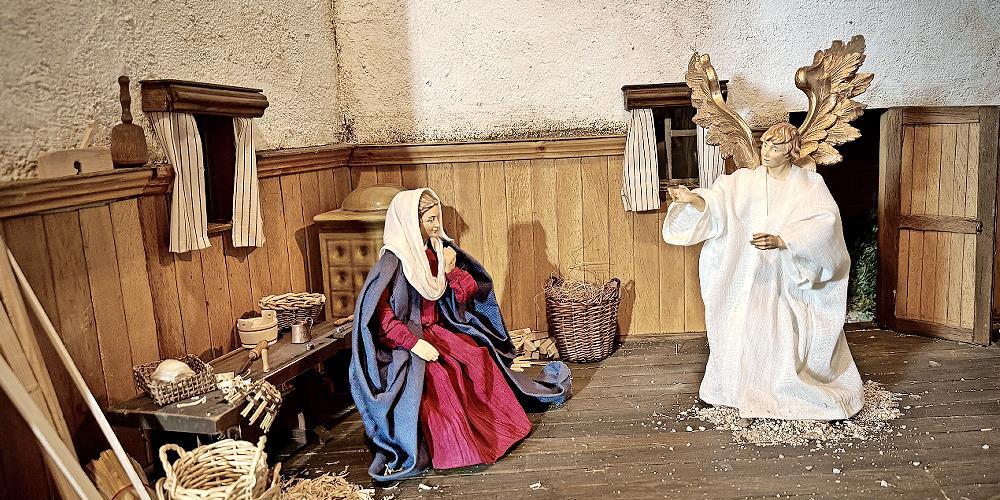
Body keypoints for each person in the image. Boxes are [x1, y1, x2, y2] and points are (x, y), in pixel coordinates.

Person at [349, 188, 572, 481]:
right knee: (440, 377)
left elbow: (467, 292)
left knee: (477, 357)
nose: (436, 226)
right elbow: (381, 320)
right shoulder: (392, 264)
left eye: (437, 218)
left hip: (439, 330)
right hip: (405, 342)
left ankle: (499, 427)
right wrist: (414, 343)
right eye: (430, 220)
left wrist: (451, 269)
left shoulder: (437, 253)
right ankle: (458, 445)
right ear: (411, 223)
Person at [662, 122, 864, 420]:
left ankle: (781, 387)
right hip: (748, 275)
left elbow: (825, 224)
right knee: (745, 327)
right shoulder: (744, 182)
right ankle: (739, 388)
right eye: (765, 145)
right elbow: (718, 204)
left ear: (791, 152)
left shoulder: (809, 185)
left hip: (788, 278)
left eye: (776, 147)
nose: (767, 152)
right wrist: (693, 199)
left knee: (783, 332)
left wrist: (785, 240)